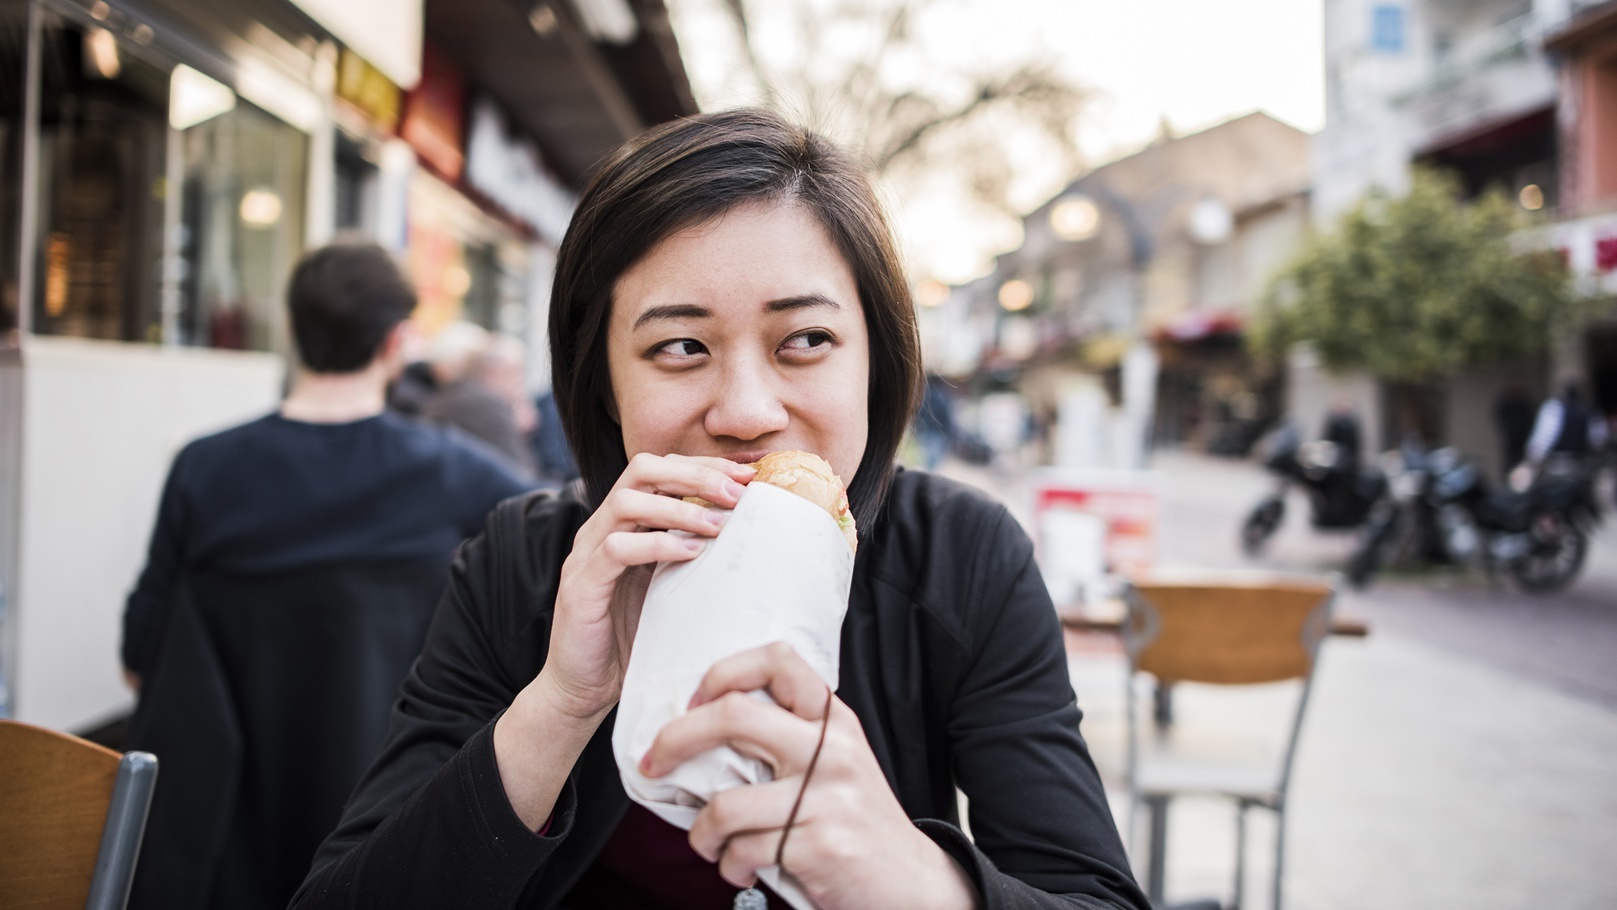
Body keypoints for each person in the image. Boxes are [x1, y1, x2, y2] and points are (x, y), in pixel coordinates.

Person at [293, 110, 1148, 910]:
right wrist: (559, 703)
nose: (745, 412)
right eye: (680, 346)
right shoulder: (524, 563)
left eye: (805, 340)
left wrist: (910, 873)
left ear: (875, 364)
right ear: (604, 385)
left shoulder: (959, 556)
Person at [121, 243, 534, 910]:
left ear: (292, 330)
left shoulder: (204, 467)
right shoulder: (449, 470)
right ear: (395, 343)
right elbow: (551, 543)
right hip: (384, 821)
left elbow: (141, 656)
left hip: (222, 838)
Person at [420, 322, 541, 478]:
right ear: (493, 373)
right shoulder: (484, 404)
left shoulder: (451, 396)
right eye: (515, 374)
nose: (519, 384)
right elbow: (525, 475)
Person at [1525, 380, 1608, 467]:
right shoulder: (1588, 409)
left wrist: (1533, 459)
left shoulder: (1554, 409)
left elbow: (1543, 440)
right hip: (1581, 462)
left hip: (1557, 463)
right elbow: (1598, 440)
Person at [913, 372, 957, 470]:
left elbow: (918, 414)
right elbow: (946, 417)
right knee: (932, 462)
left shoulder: (925, 395)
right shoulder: (942, 397)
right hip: (937, 434)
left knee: (926, 459)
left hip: (926, 432)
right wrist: (948, 434)